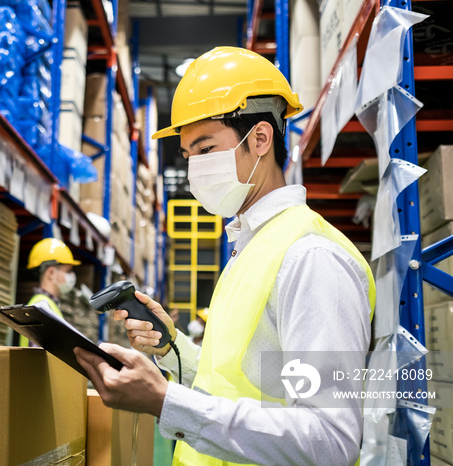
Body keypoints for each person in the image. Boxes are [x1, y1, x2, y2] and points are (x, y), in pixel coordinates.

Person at [74, 47, 375, 466]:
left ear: (260, 139)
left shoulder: (311, 257)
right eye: (187, 156)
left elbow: (328, 442)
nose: (194, 169)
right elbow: (237, 386)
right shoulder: (251, 247)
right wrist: (173, 347)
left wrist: (166, 403)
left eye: (206, 149)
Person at [19, 237, 80, 347]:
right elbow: (39, 356)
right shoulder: (41, 306)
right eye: (68, 271)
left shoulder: (48, 305)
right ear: (51, 273)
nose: (72, 276)